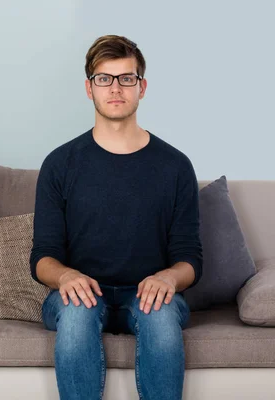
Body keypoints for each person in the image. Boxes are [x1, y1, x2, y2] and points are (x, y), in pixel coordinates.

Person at [30, 35, 203, 400]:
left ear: (141, 87)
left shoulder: (175, 166)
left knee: (158, 312)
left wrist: (169, 277)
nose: (115, 88)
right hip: (78, 297)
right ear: (89, 88)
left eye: (126, 78)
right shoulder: (60, 164)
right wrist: (66, 276)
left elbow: (191, 259)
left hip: (147, 297)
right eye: (104, 79)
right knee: (77, 312)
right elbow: (42, 258)